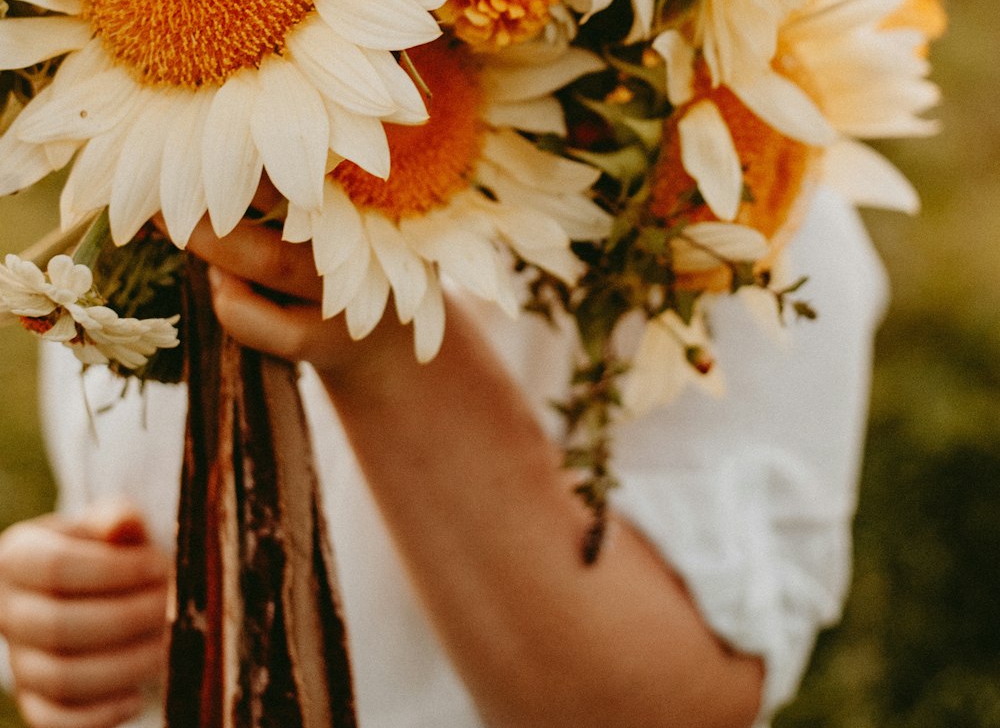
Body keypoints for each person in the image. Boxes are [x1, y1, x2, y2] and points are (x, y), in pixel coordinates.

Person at [0, 181, 887, 728]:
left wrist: (386, 345)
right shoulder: (156, 145)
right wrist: (61, 616)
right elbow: (133, 489)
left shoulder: (737, 199)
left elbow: (672, 705)